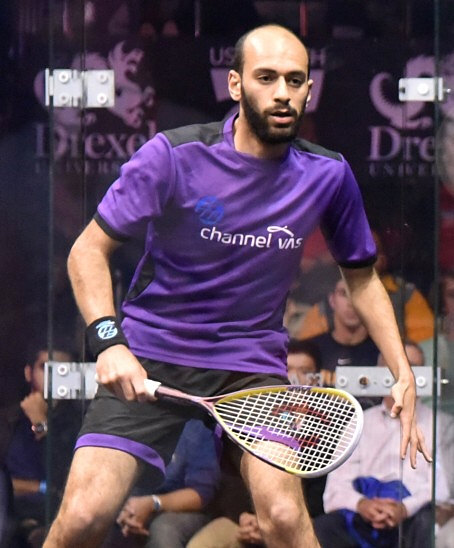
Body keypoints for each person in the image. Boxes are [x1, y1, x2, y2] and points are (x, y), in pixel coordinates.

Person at [44, 24, 430, 548]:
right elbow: (87, 251)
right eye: (266, 78)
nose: (282, 93)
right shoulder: (174, 156)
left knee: (285, 518)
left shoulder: (327, 175)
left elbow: (361, 279)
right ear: (235, 84)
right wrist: (109, 343)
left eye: (294, 80)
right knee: (83, 517)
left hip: (251, 370)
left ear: (309, 90)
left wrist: (402, 371)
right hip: (150, 354)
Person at [314, 342, 452, 548]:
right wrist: (362, 504)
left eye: (413, 367)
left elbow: (442, 489)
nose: (404, 375)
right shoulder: (360, 422)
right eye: (395, 367)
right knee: (323, 528)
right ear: (378, 373)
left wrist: (404, 508)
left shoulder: (441, 424)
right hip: (363, 516)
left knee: (428, 523)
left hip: (414, 517)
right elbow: (336, 488)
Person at [5, 342, 84, 547]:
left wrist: (41, 423)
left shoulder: (81, 422)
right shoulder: (9, 418)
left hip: (52, 515)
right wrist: (38, 487)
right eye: (46, 368)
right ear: (28, 372)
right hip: (10, 510)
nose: (54, 377)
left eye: (62, 370)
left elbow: (66, 481)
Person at [297, 229, 435, 343]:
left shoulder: (406, 296)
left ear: (382, 261)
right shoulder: (325, 303)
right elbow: (308, 353)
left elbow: (424, 349)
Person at [111, 419, 220, 548]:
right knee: (102, 518)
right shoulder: (128, 420)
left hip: (176, 508)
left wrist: (153, 503)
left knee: (164, 530)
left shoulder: (195, 429)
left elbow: (202, 493)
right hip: (127, 503)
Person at [301, 277, 379, 389]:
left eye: (359, 294)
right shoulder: (310, 350)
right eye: (344, 293)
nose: (351, 303)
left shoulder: (384, 353)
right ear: (332, 300)